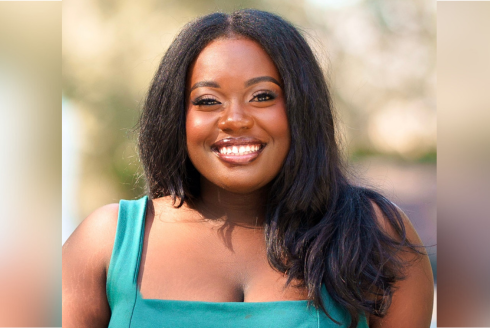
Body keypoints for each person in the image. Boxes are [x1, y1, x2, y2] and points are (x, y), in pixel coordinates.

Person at [62, 9, 434, 328]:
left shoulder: (376, 236)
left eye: (263, 96)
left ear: (300, 110)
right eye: (208, 100)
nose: (235, 119)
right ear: (176, 116)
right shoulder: (105, 244)